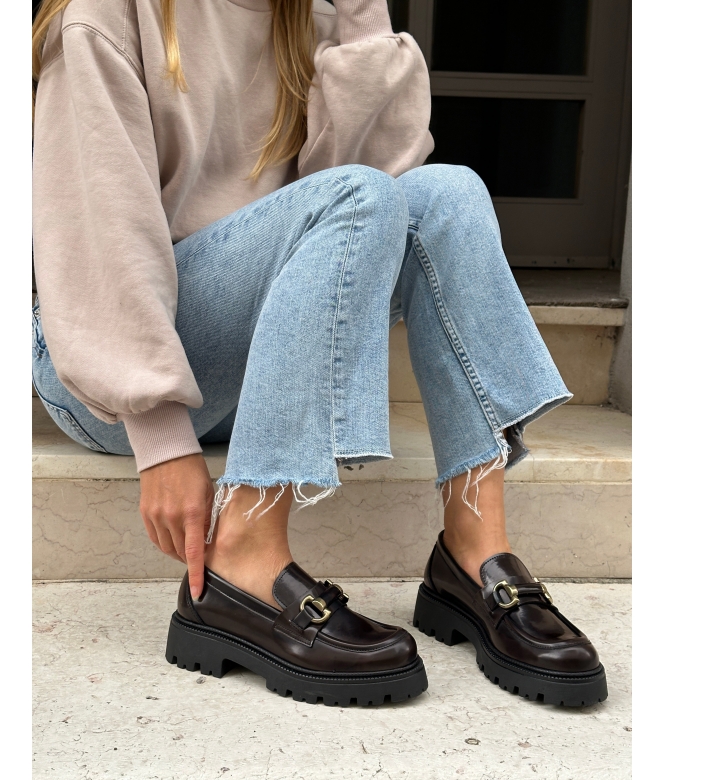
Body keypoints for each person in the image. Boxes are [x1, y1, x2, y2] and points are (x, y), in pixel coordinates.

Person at [32, 0, 606, 707]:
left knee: (447, 194)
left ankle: (473, 552)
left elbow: (380, 200)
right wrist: (160, 436)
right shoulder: (105, 13)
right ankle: (244, 557)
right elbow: (98, 231)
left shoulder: (304, 15)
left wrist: (359, 23)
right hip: (114, 376)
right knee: (359, 198)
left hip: (252, 371)